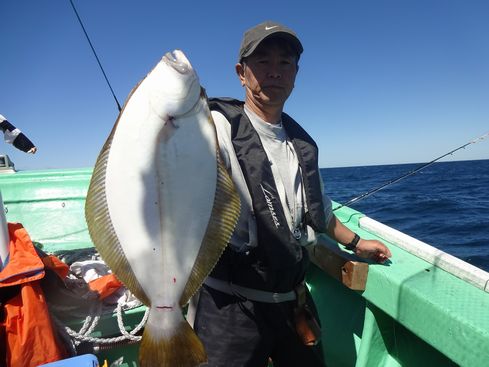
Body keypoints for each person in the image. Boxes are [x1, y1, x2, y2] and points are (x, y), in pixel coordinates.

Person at [193, 21, 392, 367]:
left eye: (285, 63)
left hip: (292, 300)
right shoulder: (215, 129)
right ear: (241, 73)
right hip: (231, 306)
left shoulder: (301, 144)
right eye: (262, 62)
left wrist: (357, 243)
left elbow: (319, 212)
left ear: (296, 73)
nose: (274, 72)